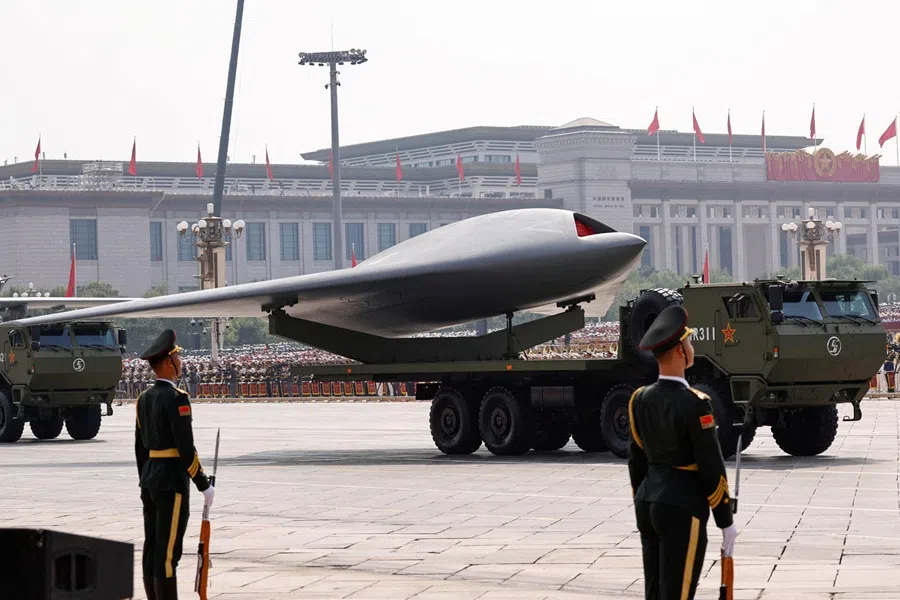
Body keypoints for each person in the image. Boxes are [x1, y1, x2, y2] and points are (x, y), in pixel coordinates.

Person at [627, 305, 738, 600]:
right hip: (681, 507)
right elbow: (711, 466)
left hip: (647, 503)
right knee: (678, 594)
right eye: (688, 342)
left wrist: (647, 495)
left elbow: (636, 461)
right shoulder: (696, 403)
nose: (692, 347)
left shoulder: (640, 399)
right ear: (679, 352)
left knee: (655, 592)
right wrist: (725, 521)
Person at [135, 329, 215, 600]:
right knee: (168, 553)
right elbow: (185, 448)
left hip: (150, 479)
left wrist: (145, 478)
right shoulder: (177, 398)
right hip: (171, 480)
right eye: (178, 355)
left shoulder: (143, 399)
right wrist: (202, 482)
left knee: (152, 548)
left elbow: (140, 449)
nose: (181, 360)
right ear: (169, 361)